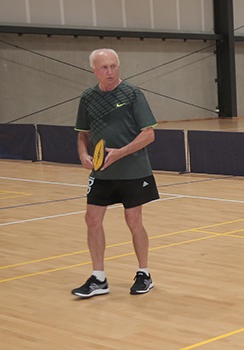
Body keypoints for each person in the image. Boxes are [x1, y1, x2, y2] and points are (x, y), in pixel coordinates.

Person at [72, 48, 159, 298]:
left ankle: (144, 273)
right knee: (92, 220)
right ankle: (98, 278)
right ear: (93, 70)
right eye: (104, 67)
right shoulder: (88, 97)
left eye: (113, 66)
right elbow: (83, 134)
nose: (109, 71)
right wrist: (83, 155)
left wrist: (121, 152)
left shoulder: (133, 94)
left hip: (133, 170)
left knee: (133, 221)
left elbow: (149, 134)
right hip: (101, 172)